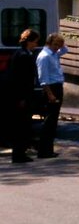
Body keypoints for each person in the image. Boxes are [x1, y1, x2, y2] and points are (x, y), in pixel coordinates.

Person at [6, 29, 41, 163]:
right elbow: (21, 79)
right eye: (35, 41)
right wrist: (22, 97)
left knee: (22, 124)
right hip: (22, 95)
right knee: (22, 124)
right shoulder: (23, 56)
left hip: (21, 94)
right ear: (30, 41)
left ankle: (20, 152)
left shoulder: (19, 53)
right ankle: (19, 153)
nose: (36, 44)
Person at [36, 32, 68, 159]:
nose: (57, 48)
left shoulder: (54, 54)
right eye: (55, 44)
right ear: (48, 43)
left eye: (58, 45)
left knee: (53, 121)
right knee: (49, 120)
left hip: (57, 87)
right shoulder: (45, 56)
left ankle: (49, 149)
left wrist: (61, 44)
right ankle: (43, 150)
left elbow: (65, 49)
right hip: (51, 88)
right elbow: (43, 78)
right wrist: (50, 94)